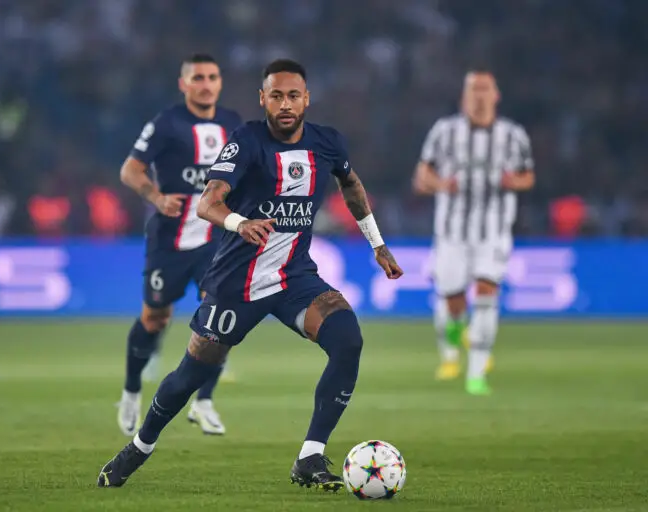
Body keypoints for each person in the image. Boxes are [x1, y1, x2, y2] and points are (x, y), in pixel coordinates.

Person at [97, 58, 404, 490]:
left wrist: (377, 243)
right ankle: (139, 447)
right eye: (276, 96)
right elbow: (207, 202)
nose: (285, 104)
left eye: (293, 96)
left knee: (347, 340)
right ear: (263, 99)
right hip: (237, 281)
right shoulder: (246, 141)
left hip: (294, 277)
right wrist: (240, 223)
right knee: (190, 375)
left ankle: (310, 456)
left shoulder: (327, 143)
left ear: (306, 99)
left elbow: (350, 184)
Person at [116, 53, 242, 437]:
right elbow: (130, 170)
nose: (206, 84)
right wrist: (156, 198)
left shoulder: (233, 124)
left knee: (219, 317)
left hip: (215, 241)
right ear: (183, 83)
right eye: (198, 77)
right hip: (169, 241)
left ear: (220, 82)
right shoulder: (166, 123)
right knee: (155, 318)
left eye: (212, 77)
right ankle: (131, 391)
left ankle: (204, 401)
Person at [413, 69, 535, 395]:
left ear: (496, 95)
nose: (479, 95)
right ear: (463, 97)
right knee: (453, 299)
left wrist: (514, 181)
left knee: (485, 290)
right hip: (451, 232)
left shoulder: (513, 135)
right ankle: (456, 332)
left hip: (494, 230)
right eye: (473, 89)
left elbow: (528, 176)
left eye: (485, 89)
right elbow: (423, 173)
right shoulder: (444, 132)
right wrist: (441, 184)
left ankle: (476, 374)